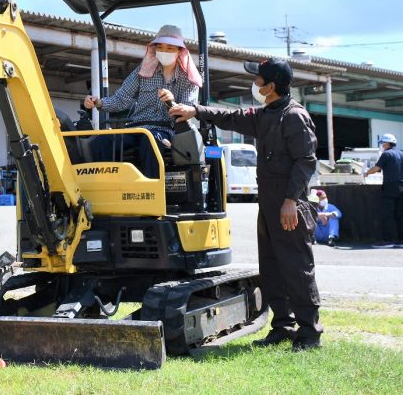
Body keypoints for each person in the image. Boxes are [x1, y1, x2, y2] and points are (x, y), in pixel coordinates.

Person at [169, 57, 323, 350]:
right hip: (268, 204)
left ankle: (310, 332)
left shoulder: (295, 116)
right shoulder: (266, 115)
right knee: (272, 267)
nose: (255, 84)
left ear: (271, 86)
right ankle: (282, 326)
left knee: (297, 267)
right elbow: (232, 116)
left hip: (289, 205)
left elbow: (306, 161)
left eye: (259, 80)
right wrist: (195, 110)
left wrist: (290, 201)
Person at [83, 24, 201, 178]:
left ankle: (152, 191)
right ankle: (107, 186)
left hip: (166, 130)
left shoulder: (189, 79)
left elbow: (188, 111)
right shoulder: (142, 72)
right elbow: (121, 99)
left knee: (150, 140)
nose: (164, 51)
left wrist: (172, 102)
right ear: (155, 49)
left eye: (170, 48)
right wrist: (98, 102)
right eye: (161, 47)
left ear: (180, 51)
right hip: (137, 128)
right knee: (103, 141)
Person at [364, 133, 403, 248]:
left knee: (387, 214)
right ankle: (401, 240)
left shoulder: (386, 154)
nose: (382, 145)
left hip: (390, 187)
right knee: (400, 214)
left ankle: (388, 240)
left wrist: (366, 172)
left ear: (387, 143)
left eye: (382, 143)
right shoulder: (401, 153)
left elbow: (377, 168)